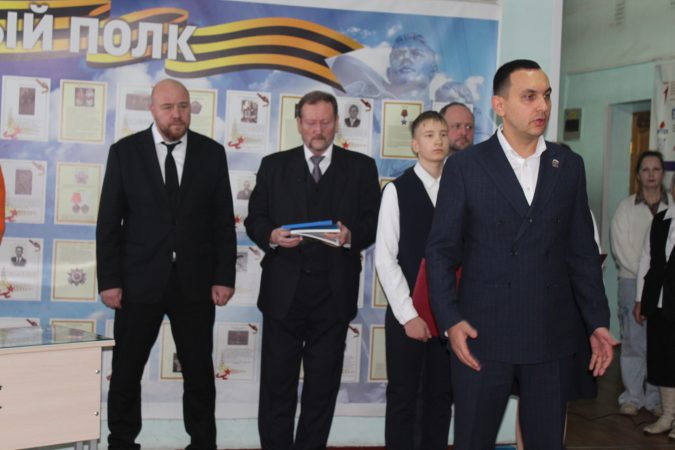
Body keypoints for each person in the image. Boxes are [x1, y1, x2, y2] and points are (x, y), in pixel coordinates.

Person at [425, 59, 617, 449]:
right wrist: (450, 321)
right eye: (529, 96)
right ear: (499, 105)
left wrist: (597, 322)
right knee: (473, 440)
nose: (542, 106)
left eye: (546, 95)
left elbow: (582, 253)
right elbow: (441, 251)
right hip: (482, 335)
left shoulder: (568, 166)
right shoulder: (466, 166)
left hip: (550, 335)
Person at [96, 79, 237, 450]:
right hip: (138, 281)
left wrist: (224, 276)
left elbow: (223, 221)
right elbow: (109, 222)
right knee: (126, 371)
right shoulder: (125, 153)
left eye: (183, 106)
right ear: (152, 109)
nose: (177, 114)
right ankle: (121, 442)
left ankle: (202, 443)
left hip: (195, 283)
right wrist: (109, 280)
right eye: (168, 107)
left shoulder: (211, 153)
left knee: (199, 373)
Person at [245, 90, 380, 450]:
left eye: (325, 122)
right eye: (310, 122)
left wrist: (351, 236)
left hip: (333, 296)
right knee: (276, 386)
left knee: (322, 387)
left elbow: (373, 221)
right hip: (283, 295)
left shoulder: (361, 168)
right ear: (299, 124)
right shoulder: (274, 165)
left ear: (336, 123)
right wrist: (271, 236)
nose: (318, 130)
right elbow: (255, 218)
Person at [375, 110, 452, 450]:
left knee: (441, 396)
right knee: (404, 396)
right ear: (415, 145)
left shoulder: (458, 189)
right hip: (407, 314)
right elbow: (385, 258)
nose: (438, 141)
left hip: (448, 316)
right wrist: (408, 315)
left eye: (443, 134)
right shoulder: (397, 190)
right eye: (429, 135)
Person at [610, 150, 669, 416]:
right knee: (633, 342)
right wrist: (648, 276)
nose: (651, 174)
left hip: (665, 287)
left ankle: (656, 399)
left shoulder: (671, 207)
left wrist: (658, 278)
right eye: (645, 169)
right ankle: (632, 397)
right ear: (638, 175)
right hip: (631, 281)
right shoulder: (626, 207)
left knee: (659, 343)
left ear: (662, 173)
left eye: (656, 169)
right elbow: (621, 249)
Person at [636, 172, 675, 438]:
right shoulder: (661, 219)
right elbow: (646, 259)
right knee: (662, 361)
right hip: (659, 301)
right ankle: (668, 415)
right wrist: (641, 298)